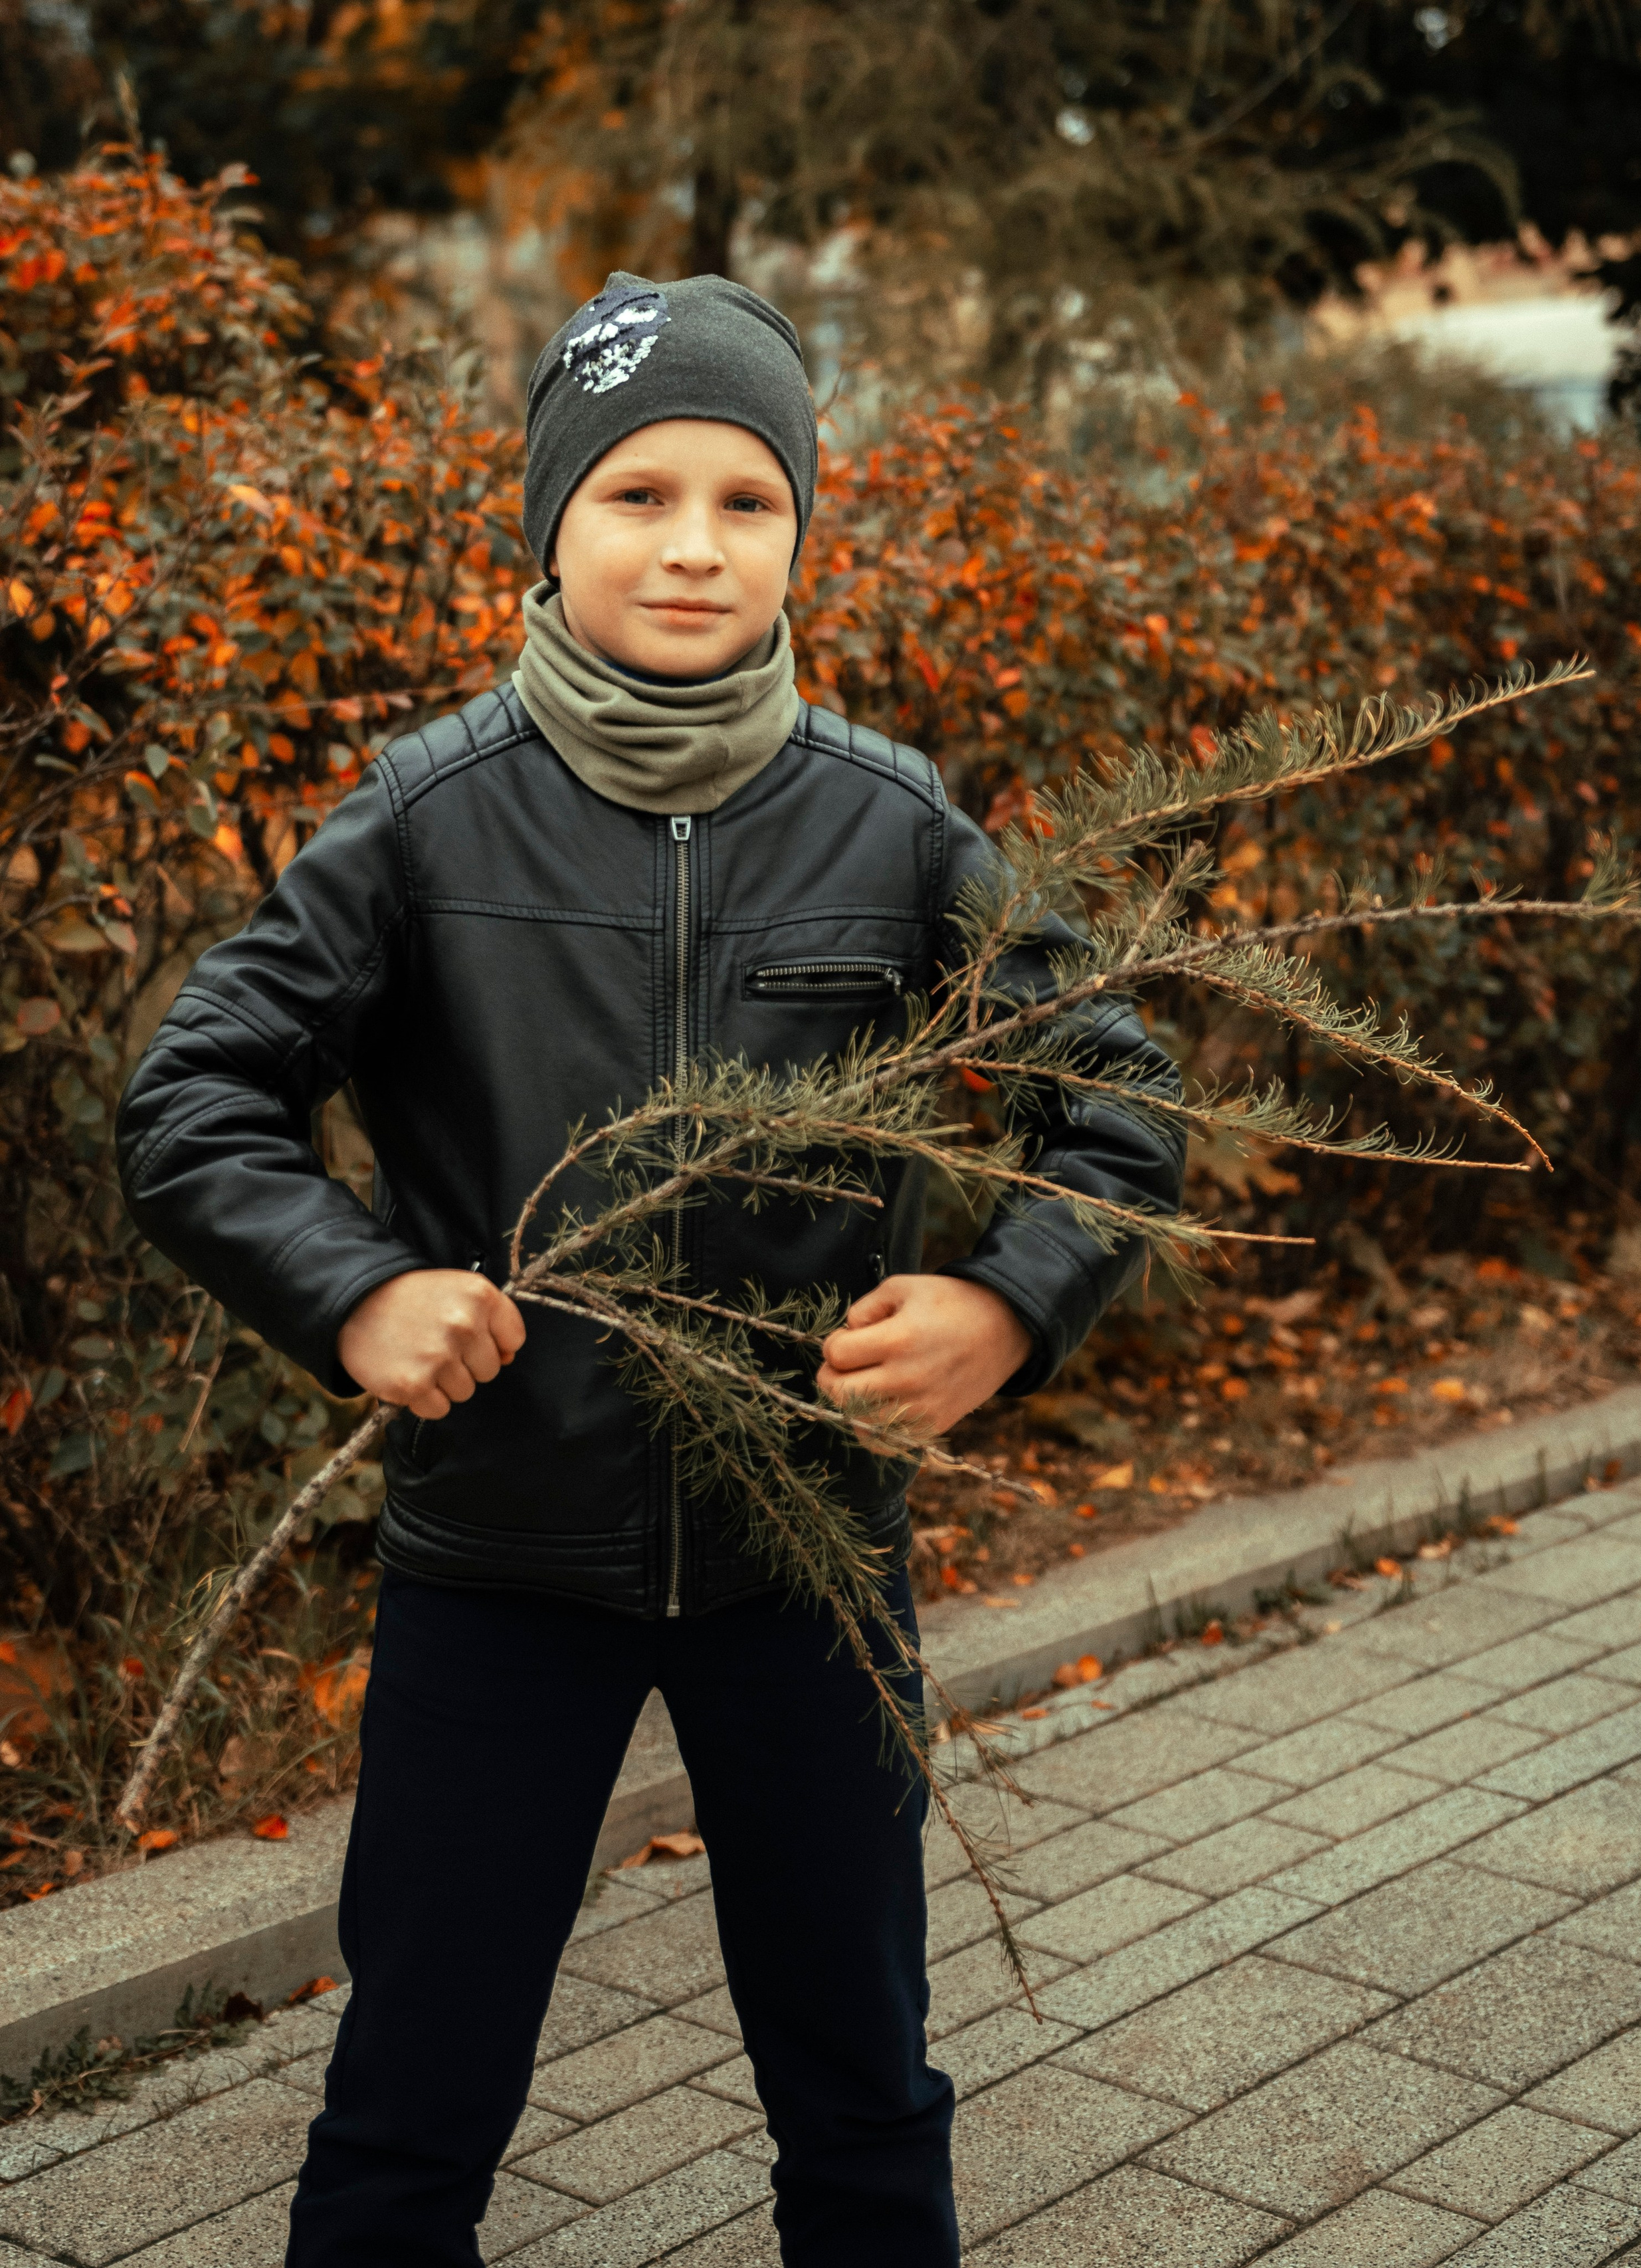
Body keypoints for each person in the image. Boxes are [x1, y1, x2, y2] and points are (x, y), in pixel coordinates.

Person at [116, 270, 1185, 2268]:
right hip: (497, 1568)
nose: (694, 545)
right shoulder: (425, 819)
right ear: (548, 524)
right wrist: (347, 1285)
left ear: (802, 528)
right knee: (415, 2098)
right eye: (636, 494)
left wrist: (1007, 1298)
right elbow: (193, 1102)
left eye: (746, 499)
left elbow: (1117, 1098)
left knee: (862, 2086)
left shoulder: (895, 826)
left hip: (808, 1564)